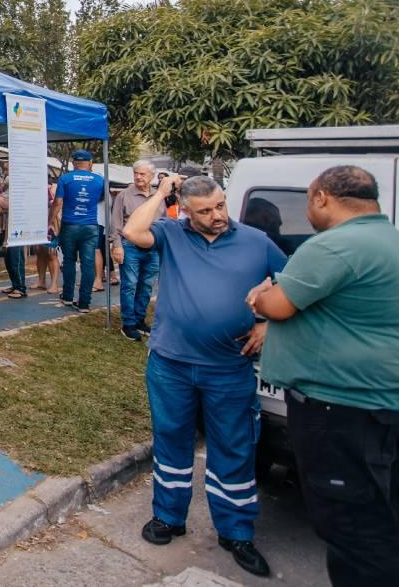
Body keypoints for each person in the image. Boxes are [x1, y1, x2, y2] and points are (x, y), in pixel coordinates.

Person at [249, 166, 399, 587]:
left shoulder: (337, 244)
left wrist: (259, 296)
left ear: (322, 197)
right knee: (372, 519)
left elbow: (276, 305)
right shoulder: (389, 241)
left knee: (354, 532)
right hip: (375, 407)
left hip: (343, 411)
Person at [123, 174, 286, 578]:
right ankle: (168, 517)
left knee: (234, 447)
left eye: (220, 205)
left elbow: (294, 286)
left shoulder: (256, 241)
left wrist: (269, 324)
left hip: (228, 368)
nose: (217, 215)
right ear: (186, 212)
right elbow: (133, 231)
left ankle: (236, 532)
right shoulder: (171, 233)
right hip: (170, 365)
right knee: (171, 440)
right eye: (206, 210)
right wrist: (161, 192)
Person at [110, 160, 162, 341]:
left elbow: (163, 222)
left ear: (152, 176)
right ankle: (129, 323)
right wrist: (117, 245)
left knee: (146, 285)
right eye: (136, 173)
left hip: (153, 247)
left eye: (142, 174)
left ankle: (140, 319)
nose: (138, 177)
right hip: (130, 246)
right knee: (130, 285)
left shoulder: (158, 197)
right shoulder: (124, 195)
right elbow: (116, 223)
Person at [51, 151, 107, 310]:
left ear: (73, 163)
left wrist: (50, 221)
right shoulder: (99, 180)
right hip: (90, 225)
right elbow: (101, 198)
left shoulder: (65, 178)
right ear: (90, 163)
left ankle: (68, 297)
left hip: (70, 224)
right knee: (87, 263)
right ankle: (84, 303)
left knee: (69, 260)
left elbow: (58, 202)